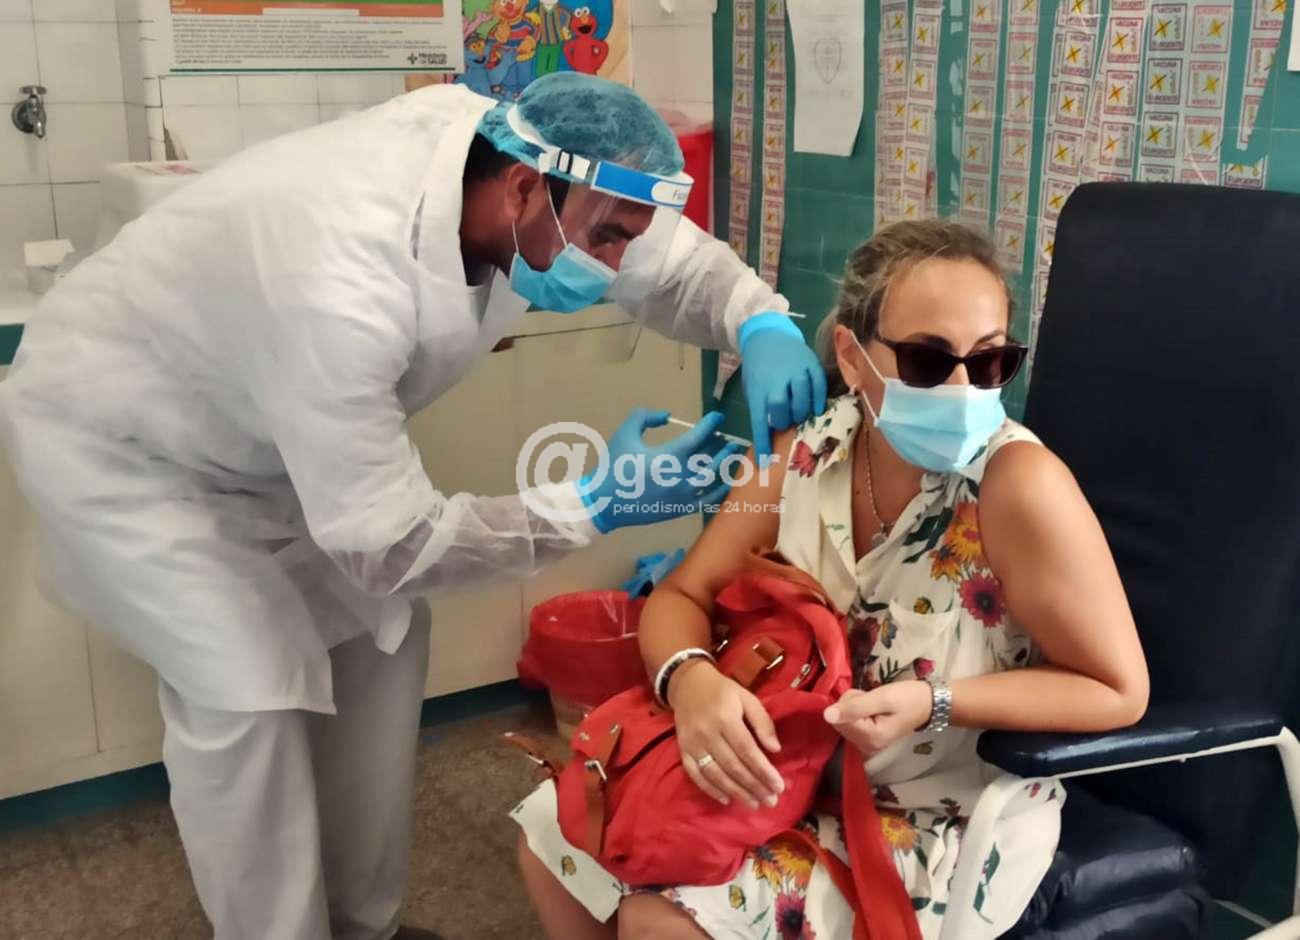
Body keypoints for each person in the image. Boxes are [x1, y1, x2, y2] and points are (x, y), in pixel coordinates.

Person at [0, 73, 826, 940]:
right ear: (521, 190)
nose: (619, 263)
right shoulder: (339, 270)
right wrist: (590, 504)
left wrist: (758, 321)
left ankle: (365, 926)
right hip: (128, 446)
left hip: (265, 437)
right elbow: (390, 543)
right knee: (246, 692)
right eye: (607, 238)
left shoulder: (521, 168)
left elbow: (665, 257)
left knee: (384, 637)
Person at [513, 219, 1150, 939]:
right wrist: (690, 682)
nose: (963, 390)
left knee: (657, 921)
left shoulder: (1018, 487)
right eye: (927, 360)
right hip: (785, 776)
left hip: (932, 815)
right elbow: (682, 596)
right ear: (851, 355)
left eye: (989, 361)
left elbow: (1117, 689)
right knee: (552, 835)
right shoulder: (804, 455)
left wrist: (935, 702)